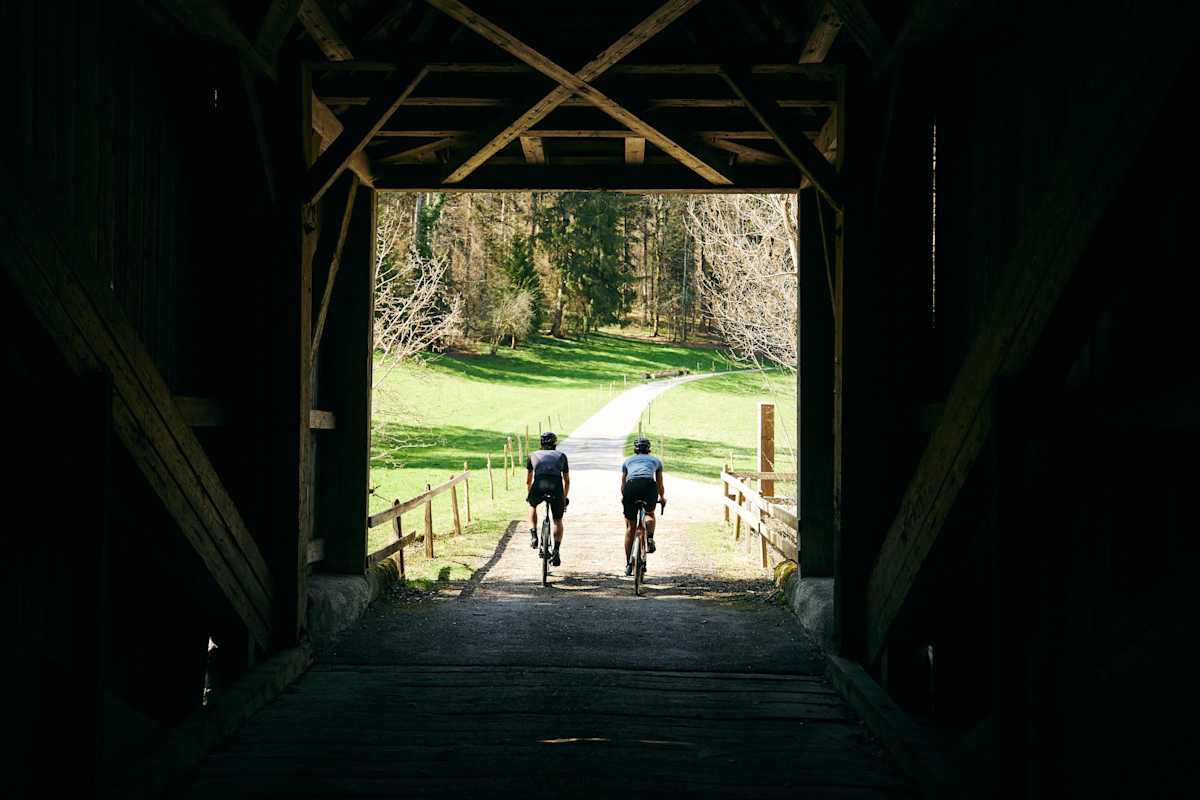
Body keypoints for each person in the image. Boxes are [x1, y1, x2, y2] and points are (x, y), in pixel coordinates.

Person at [620, 436, 665, 575]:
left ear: (635, 450)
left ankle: (628, 564)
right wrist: (662, 497)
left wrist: (625, 498)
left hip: (631, 487)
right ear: (649, 450)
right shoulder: (656, 461)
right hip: (648, 486)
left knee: (630, 527)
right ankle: (650, 537)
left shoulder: (627, 461)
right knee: (650, 513)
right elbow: (659, 484)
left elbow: (622, 485)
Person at [527, 431, 569, 566]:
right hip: (556, 486)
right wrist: (564, 497)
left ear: (541, 444)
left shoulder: (532, 455)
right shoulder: (561, 456)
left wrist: (530, 494)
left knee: (532, 505)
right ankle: (556, 550)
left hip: (539, 485)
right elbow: (567, 481)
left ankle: (534, 536)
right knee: (557, 519)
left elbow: (528, 480)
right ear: (555, 444)